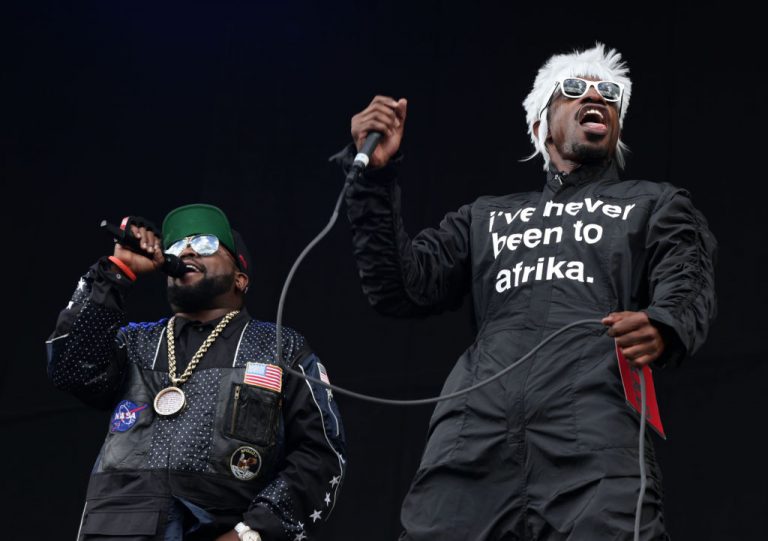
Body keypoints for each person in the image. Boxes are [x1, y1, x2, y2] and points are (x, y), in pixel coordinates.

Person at [332, 42, 717, 539]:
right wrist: (375, 181)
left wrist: (666, 323)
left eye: (609, 93)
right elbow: (402, 287)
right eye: (573, 89)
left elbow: (685, 269)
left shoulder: (651, 202)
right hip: (474, 429)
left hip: (591, 426)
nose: (593, 96)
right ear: (540, 124)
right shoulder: (486, 215)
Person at [46, 203, 347, 541]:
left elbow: (320, 454)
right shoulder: (135, 342)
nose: (187, 249)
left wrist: (251, 532)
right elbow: (71, 369)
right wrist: (117, 271)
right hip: (117, 529)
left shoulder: (280, 347)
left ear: (240, 277)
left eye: (205, 243)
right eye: (176, 245)